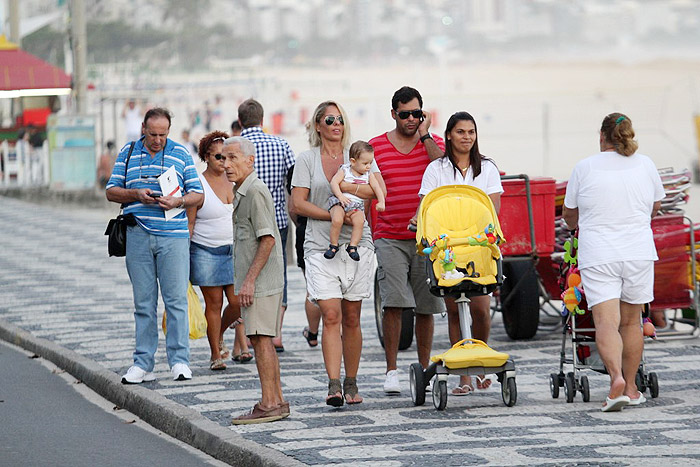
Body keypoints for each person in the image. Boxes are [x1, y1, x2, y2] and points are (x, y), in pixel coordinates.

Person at [563, 112, 664, 412]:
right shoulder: (645, 164)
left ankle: (615, 379)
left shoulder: (585, 167)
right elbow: (656, 206)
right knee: (632, 323)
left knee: (606, 324)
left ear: (602, 136)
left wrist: (578, 224)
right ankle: (632, 388)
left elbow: (570, 215)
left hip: (600, 254)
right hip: (638, 252)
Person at [290, 100, 384, 406]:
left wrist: (344, 196)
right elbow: (298, 204)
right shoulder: (306, 159)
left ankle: (352, 381)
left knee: (352, 317)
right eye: (329, 120)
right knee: (331, 314)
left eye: (339, 119)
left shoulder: (359, 155)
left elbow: (376, 190)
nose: (335, 125)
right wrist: (331, 214)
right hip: (320, 245)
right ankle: (333, 384)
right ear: (318, 125)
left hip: (358, 243)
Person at [106, 107, 203, 384]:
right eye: (153, 134)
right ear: (143, 130)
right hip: (137, 234)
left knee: (176, 301)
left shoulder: (181, 153)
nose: (158, 140)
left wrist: (178, 201)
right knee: (143, 303)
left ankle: (180, 361)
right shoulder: (127, 153)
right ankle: (143, 362)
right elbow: (111, 191)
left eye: (163, 134)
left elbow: (197, 194)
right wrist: (134, 194)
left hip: (173, 236)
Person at [418, 111, 504, 395]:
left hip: (478, 248)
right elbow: (427, 208)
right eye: (460, 132)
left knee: (480, 309)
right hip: (448, 250)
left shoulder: (487, 168)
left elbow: (493, 210)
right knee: (455, 310)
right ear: (449, 136)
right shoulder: (437, 169)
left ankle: (479, 365)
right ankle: (463, 377)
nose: (466, 137)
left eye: (471, 132)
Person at [369, 86, 444, 395]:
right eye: (405, 114)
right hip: (389, 235)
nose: (411, 119)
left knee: (426, 305)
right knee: (394, 303)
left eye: (417, 113)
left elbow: (446, 168)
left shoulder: (433, 143)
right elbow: (364, 187)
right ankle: (391, 370)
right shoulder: (375, 147)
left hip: (426, 237)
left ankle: (424, 368)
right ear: (393, 114)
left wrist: (425, 136)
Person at [224, 136, 289, 424]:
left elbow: (268, 239)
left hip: (261, 281)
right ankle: (276, 400)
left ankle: (269, 403)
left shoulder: (254, 192)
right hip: (261, 279)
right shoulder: (244, 190)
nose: (226, 165)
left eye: (233, 158)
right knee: (262, 339)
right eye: (223, 159)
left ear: (250, 160)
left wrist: (249, 281)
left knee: (260, 340)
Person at [186, 131, 250, 371]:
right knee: (213, 303)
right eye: (218, 158)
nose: (224, 163)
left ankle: (219, 333)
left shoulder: (235, 179)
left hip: (235, 251)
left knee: (236, 302)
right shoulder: (198, 183)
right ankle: (215, 353)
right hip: (206, 251)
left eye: (227, 157)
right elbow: (190, 222)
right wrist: (184, 254)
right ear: (206, 157)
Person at [238, 98, 296, 352]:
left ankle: (251, 334)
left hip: (245, 222)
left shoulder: (237, 148)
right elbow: (293, 182)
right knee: (277, 275)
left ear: (240, 121)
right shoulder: (281, 144)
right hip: (278, 221)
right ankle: (276, 334)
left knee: (247, 274)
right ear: (263, 120)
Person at [326, 141, 386, 261]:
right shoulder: (345, 170)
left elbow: (377, 188)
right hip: (341, 201)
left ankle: (352, 246)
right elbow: (334, 182)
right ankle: (333, 245)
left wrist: (381, 201)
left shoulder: (368, 175)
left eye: (370, 163)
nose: (368, 166)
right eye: (365, 163)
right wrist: (340, 196)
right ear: (353, 161)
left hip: (356, 205)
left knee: (360, 221)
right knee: (337, 219)